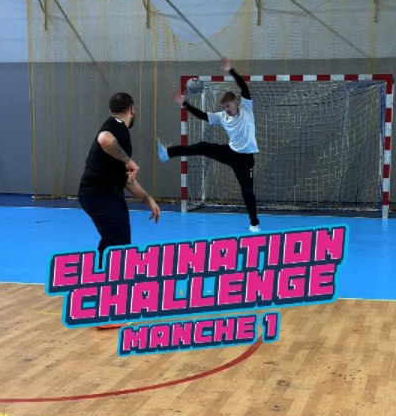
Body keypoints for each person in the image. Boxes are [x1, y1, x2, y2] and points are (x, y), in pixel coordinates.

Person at [157, 58, 260, 232]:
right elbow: (202, 115)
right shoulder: (222, 116)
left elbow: (243, 87)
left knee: (247, 191)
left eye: (228, 106)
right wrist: (185, 104)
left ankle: (254, 223)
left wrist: (231, 70)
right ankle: (167, 153)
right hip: (230, 151)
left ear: (236, 103)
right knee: (203, 146)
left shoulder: (247, 109)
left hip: (245, 159)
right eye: (224, 107)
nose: (226, 109)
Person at [78, 92, 160, 269]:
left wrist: (147, 198)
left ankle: (102, 274)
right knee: (117, 242)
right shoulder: (117, 125)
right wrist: (129, 161)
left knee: (116, 240)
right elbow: (104, 139)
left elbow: (126, 179)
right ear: (132, 110)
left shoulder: (119, 132)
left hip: (107, 193)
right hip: (98, 195)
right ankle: (105, 277)